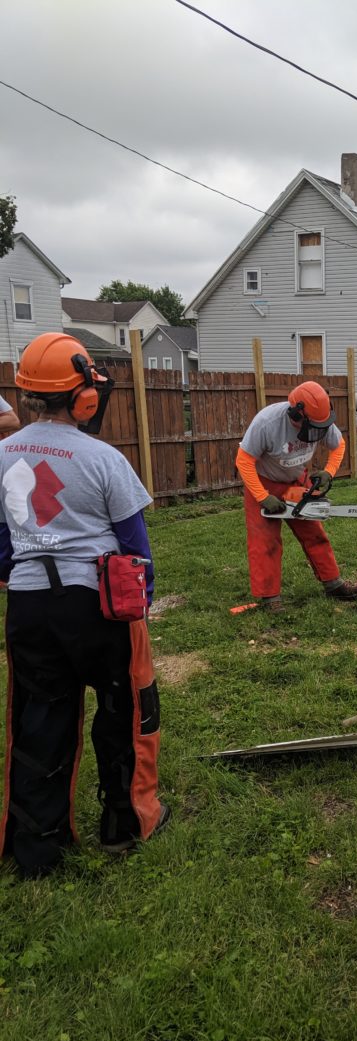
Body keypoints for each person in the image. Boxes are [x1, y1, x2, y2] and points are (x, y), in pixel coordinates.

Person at [0, 332, 169, 879]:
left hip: (27, 606)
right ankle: (125, 822)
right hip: (95, 604)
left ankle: (37, 847)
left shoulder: (2, 454)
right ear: (84, 397)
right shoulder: (103, 458)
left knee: (39, 717)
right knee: (123, 709)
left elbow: (1, 543)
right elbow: (136, 547)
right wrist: (139, 607)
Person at [235, 381, 357, 610]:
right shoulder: (267, 423)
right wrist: (262, 496)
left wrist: (329, 472)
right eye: (313, 425)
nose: (318, 431)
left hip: (296, 480)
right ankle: (270, 598)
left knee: (314, 531)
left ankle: (333, 583)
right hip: (264, 482)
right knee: (265, 541)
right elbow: (243, 461)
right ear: (297, 414)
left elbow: (339, 445)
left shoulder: (320, 421)